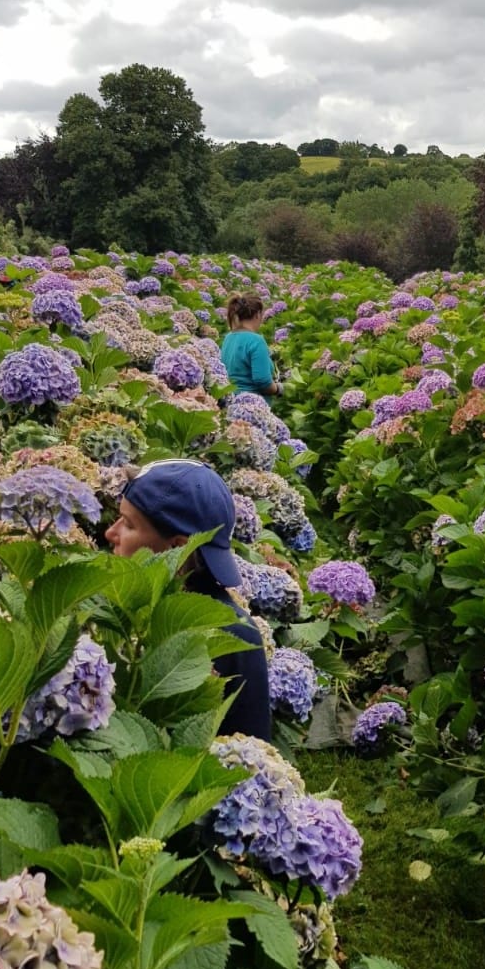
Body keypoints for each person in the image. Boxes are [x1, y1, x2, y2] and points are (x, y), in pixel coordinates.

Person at [104, 459, 272, 742]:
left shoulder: (234, 634)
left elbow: (251, 756)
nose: (110, 533)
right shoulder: (116, 600)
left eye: (129, 525)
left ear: (179, 548)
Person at [220, 294, 281, 400]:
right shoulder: (256, 340)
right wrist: (279, 388)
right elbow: (263, 382)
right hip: (252, 405)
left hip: (229, 401)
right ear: (257, 314)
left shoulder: (228, 338)